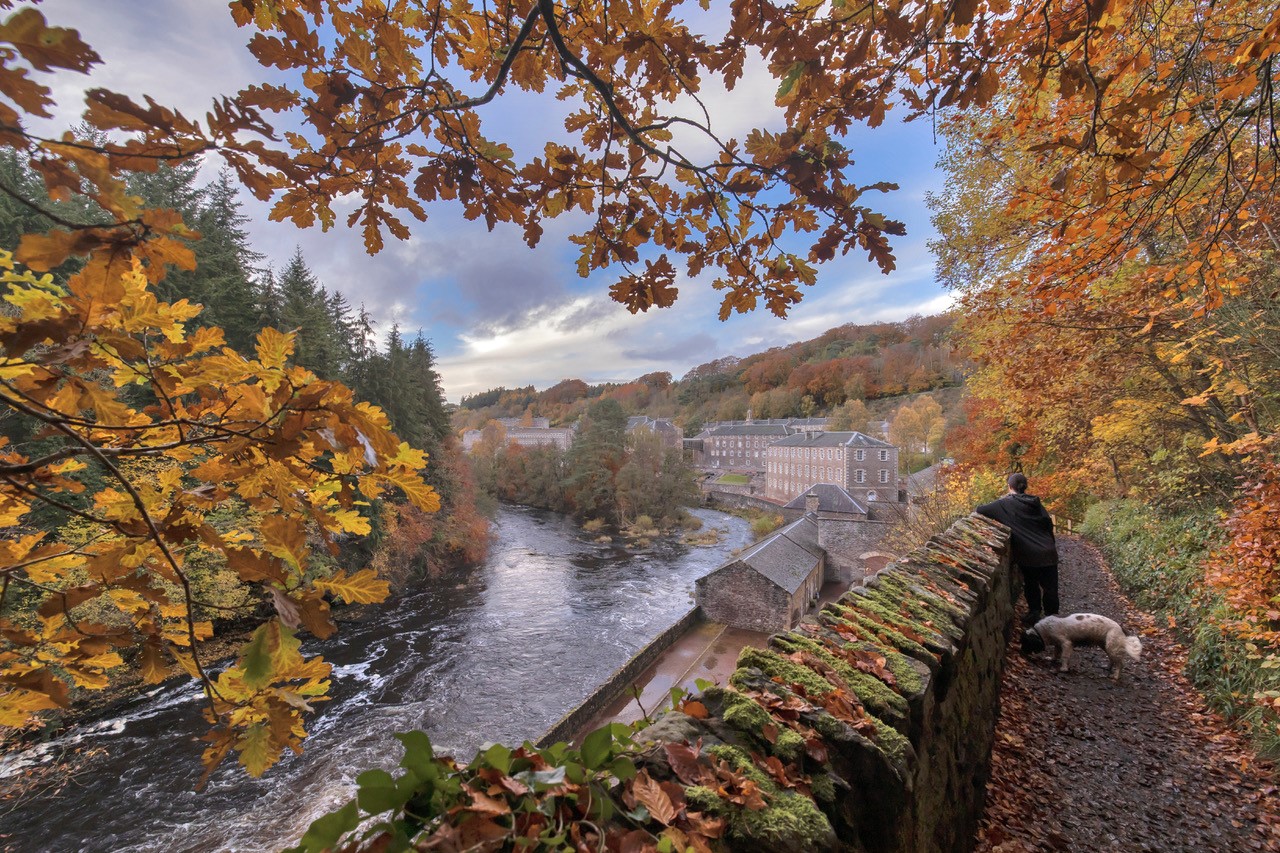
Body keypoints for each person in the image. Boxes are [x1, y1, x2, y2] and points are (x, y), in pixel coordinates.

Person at [976, 473, 1059, 626]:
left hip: (1028, 553)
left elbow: (980, 510)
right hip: (1048, 552)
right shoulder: (1036, 503)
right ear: (1025, 487)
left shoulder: (1004, 504)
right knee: (1050, 588)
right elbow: (1048, 524)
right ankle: (1052, 620)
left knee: (1031, 583)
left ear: (1009, 487)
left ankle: (1034, 614)